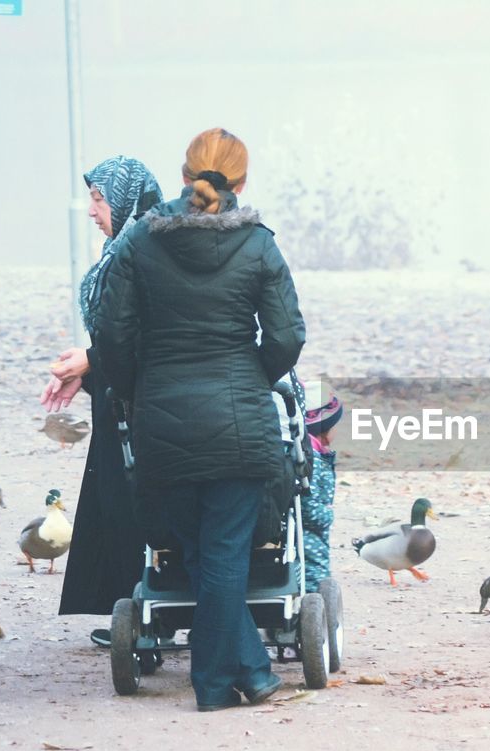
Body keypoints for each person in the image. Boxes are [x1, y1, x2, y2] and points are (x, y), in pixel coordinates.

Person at [96, 128, 305, 712]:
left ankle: (232, 681)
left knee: (197, 553)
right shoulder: (259, 245)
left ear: (184, 176)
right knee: (224, 554)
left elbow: (113, 336)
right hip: (240, 425)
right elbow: (287, 336)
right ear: (241, 183)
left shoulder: (138, 242)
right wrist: (251, 379)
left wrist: (141, 392)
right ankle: (232, 680)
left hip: (163, 424)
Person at [44, 156, 163, 644]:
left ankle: (148, 610)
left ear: (128, 200)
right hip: (119, 398)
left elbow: (146, 332)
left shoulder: (145, 252)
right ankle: (133, 609)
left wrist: (91, 359)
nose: (93, 211)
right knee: (116, 502)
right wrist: (88, 374)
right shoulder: (124, 249)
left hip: (146, 406)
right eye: (92, 199)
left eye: (100, 199)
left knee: (136, 502)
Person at [301, 394, 341, 593]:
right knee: (314, 578)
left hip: (306, 534)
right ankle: (311, 611)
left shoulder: (309, 454)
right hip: (309, 537)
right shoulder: (311, 459)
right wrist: (327, 514)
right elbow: (306, 505)